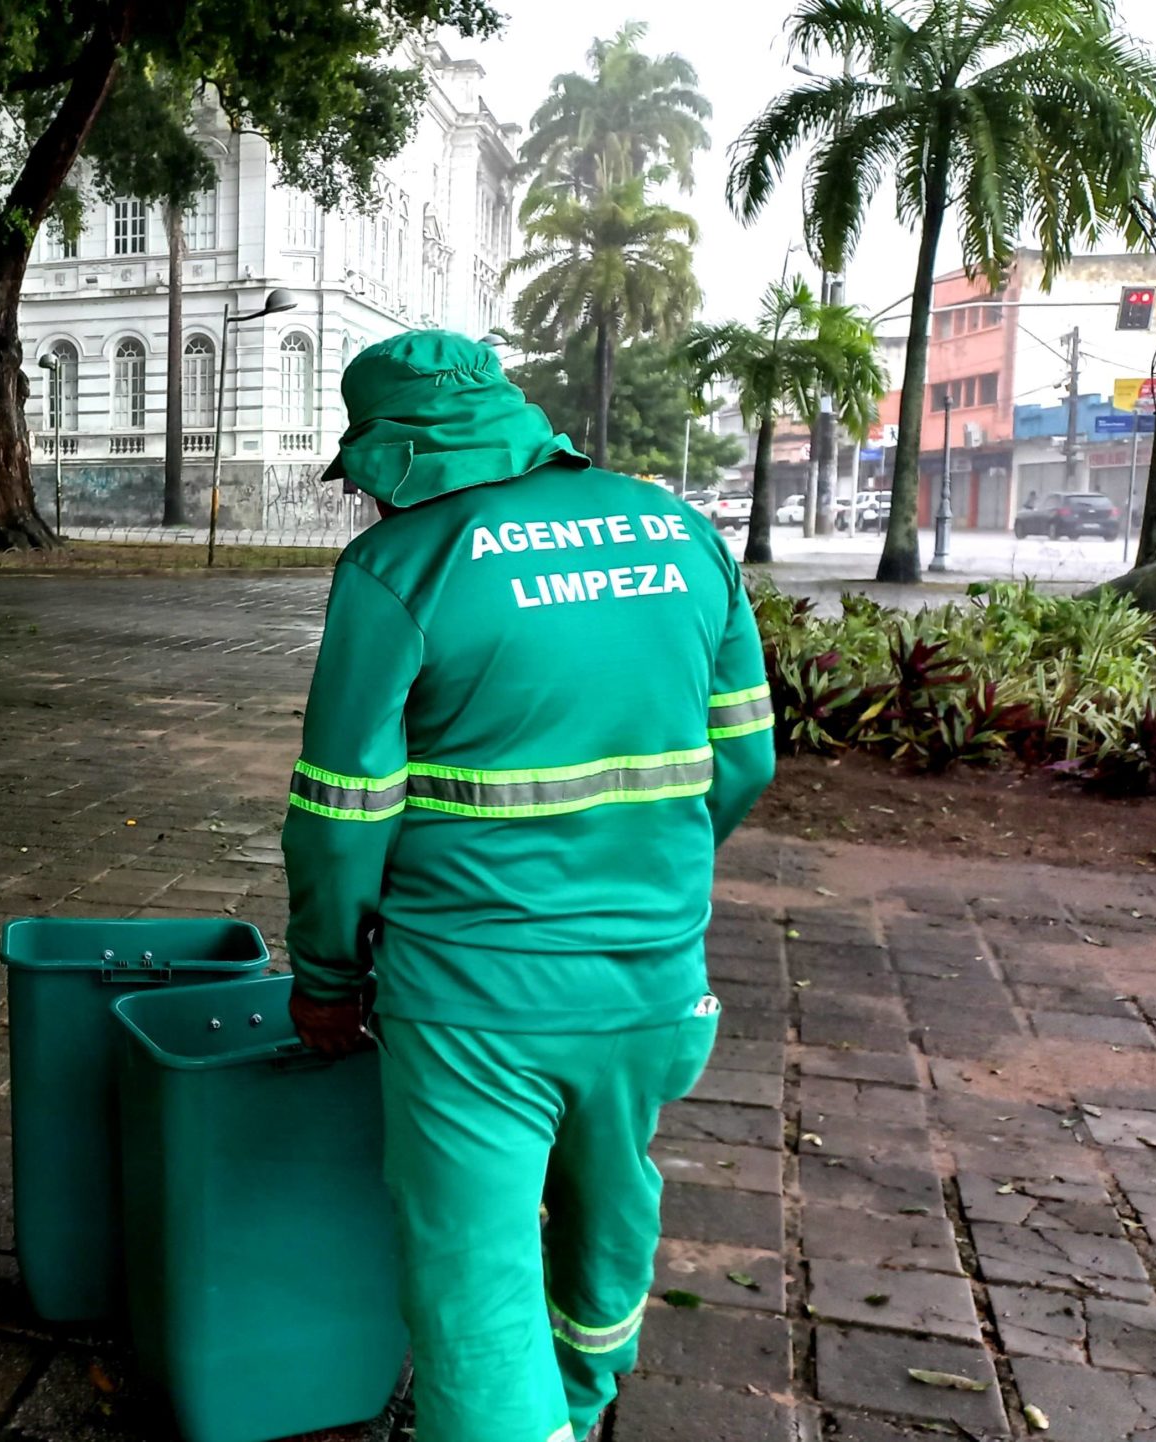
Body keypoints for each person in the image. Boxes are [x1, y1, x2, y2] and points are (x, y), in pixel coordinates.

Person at [281, 332, 775, 1442]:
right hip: (650, 982)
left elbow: (339, 814)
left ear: (395, 454)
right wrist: (646, 875)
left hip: (473, 1002)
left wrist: (323, 975)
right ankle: (589, 1395)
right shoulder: (682, 532)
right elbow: (743, 759)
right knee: (610, 1208)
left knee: (474, 1283)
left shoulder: (400, 567)